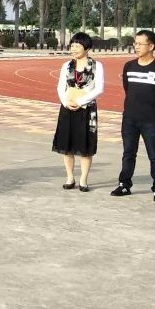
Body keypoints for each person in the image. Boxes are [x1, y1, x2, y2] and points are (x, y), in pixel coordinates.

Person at [112, 30, 155, 202]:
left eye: (140, 44)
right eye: (135, 43)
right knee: (128, 152)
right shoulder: (129, 66)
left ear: (151, 46)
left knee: (154, 154)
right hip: (129, 118)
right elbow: (128, 89)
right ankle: (125, 184)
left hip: (150, 120)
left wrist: (153, 107)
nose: (136, 46)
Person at [53, 32, 104, 192]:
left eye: (77, 45)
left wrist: (81, 101)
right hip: (67, 108)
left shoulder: (97, 66)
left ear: (87, 47)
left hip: (87, 109)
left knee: (85, 145)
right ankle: (70, 177)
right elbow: (61, 86)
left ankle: (83, 179)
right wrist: (66, 102)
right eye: (72, 45)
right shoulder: (66, 65)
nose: (73, 49)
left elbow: (99, 88)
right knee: (66, 144)